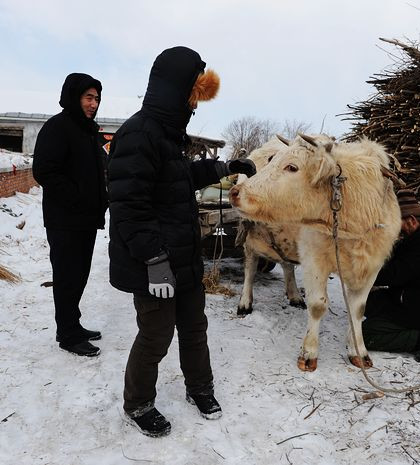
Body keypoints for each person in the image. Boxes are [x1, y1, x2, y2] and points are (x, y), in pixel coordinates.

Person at [107, 46, 256, 438]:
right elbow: (128, 207)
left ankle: (199, 388)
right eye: (193, 95)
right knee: (156, 335)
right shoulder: (138, 134)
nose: (194, 106)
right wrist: (154, 259)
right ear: (175, 90)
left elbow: (178, 178)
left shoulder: (167, 136)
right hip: (155, 260)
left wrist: (226, 167)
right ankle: (138, 401)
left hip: (183, 254)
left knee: (194, 327)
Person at [33, 73, 108, 357]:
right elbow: (44, 171)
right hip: (65, 219)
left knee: (79, 275)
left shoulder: (87, 130)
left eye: (97, 98)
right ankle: (67, 334)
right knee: (66, 277)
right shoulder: (58, 127)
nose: (94, 103)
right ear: (74, 97)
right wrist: (77, 198)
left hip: (84, 219)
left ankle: (73, 324)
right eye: (89, 97)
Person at [362, 189, 420, 363]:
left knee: (363, 335)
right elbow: (392, 261)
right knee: (366, 303)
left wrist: (362, 273)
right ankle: (406, 329)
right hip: (408, 298)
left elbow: (395, 274)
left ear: (411, 221)